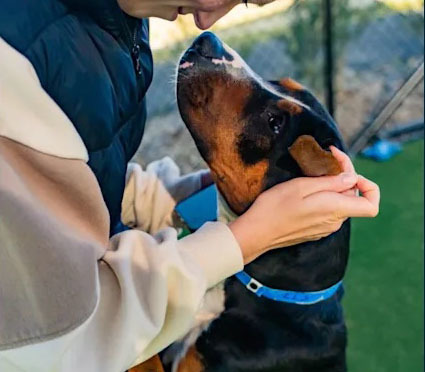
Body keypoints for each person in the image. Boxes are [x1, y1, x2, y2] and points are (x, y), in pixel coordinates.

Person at [0, 1, 380, 371]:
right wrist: (242, 238)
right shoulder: (20, 58)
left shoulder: (120, 25)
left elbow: (80, 180)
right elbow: (59, 343)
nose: (211, 28)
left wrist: (188, 198)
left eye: (274, 123)